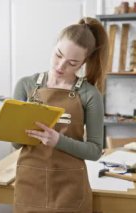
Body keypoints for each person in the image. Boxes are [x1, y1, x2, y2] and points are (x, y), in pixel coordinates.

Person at [12, 17, 109, 213]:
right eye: (58, 55)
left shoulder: (90, 95)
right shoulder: (25, 85)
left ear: (83, 63)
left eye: (72, 63)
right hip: (30, 183)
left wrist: (58, 141)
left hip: (70, 188)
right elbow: (16, 144)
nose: (60, 66)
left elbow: (95, 150)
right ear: (55, 45)